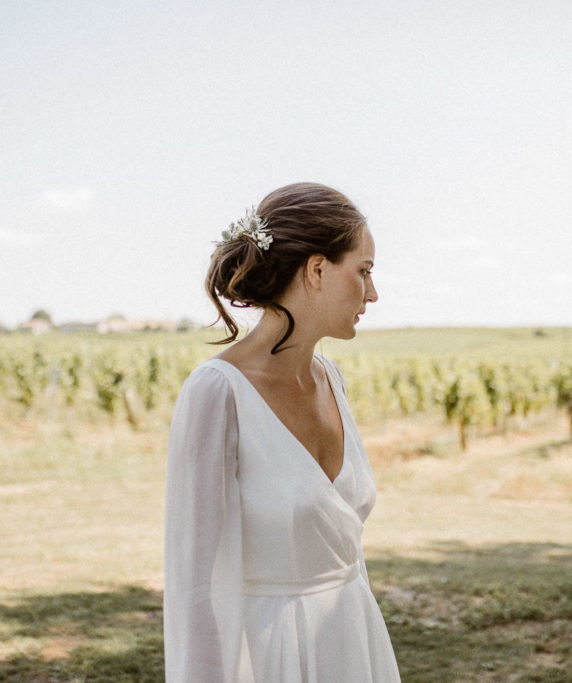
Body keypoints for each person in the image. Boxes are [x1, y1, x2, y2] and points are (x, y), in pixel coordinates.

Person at [164, 182, 400, 682]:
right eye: (364, 271)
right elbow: (195, 586)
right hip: (270, 654)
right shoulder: (217, 391)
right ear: (317, 270)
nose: (373, 293)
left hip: (354, 639)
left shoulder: (331, 379)